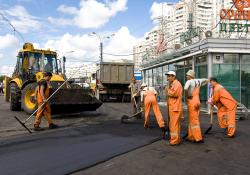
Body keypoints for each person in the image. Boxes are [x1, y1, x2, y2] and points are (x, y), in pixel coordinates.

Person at [184, 70, 208, 143]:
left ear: (190, 76)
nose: (186, 76)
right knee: (193, 118)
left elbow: (185, 89)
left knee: (194, 120)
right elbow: (207, 80)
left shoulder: (189, 81)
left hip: (192, 101)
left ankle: (198, 138)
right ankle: (191, 136)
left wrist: (187, 95)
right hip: (197, 100)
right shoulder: (198, 81)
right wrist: (202, 85)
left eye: (187, 75)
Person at [165, 71, 183, 145]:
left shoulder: (176, 84)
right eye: (167, 76)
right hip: (174, 107)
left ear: (173, 76)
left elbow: (174, 94)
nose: (168, 78)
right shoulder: (173, 84)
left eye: (169, 76)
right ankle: (177, 139)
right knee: (176, 125)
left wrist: (167, 90)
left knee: (174, 125)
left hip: (175, 108)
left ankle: (174, 141)